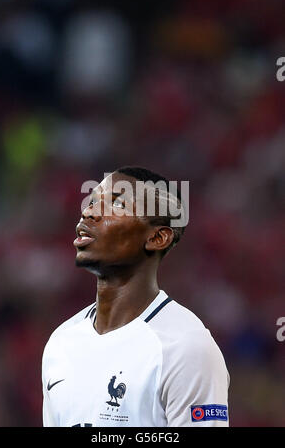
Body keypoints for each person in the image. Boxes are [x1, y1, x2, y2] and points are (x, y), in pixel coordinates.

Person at [42, 166, 230, 427]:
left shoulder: (186, 348)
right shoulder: (61, 343)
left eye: (117, 205)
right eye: (93, 201)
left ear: (157, 237)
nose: (89, 212)